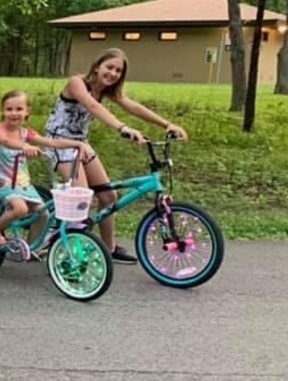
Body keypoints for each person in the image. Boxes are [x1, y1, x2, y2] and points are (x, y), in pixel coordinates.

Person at [45, 48, 188, 263]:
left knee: (108, 196)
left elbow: (133, 107)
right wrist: (122, 128)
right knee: (81, 199)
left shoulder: (108, 92)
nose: (112, 73)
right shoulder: (76, 82)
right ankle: (67, 255)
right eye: (109, 67)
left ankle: (109, 249)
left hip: (81, 145)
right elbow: (92, 106)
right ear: (97, 66)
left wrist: (167, 124)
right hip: (60, 142)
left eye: (118, 71)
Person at [0, 90, 93, 248]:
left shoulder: (26, 133)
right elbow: (6, 141)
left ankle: (32, 246)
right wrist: (24, 146)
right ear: (2, 111)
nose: (14, 113)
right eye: (9, 109)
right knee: (20, 208)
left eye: (19, 109)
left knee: (43, 213)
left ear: (27, 111)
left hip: (21, 184)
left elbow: (52, 142)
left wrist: (77, 144)